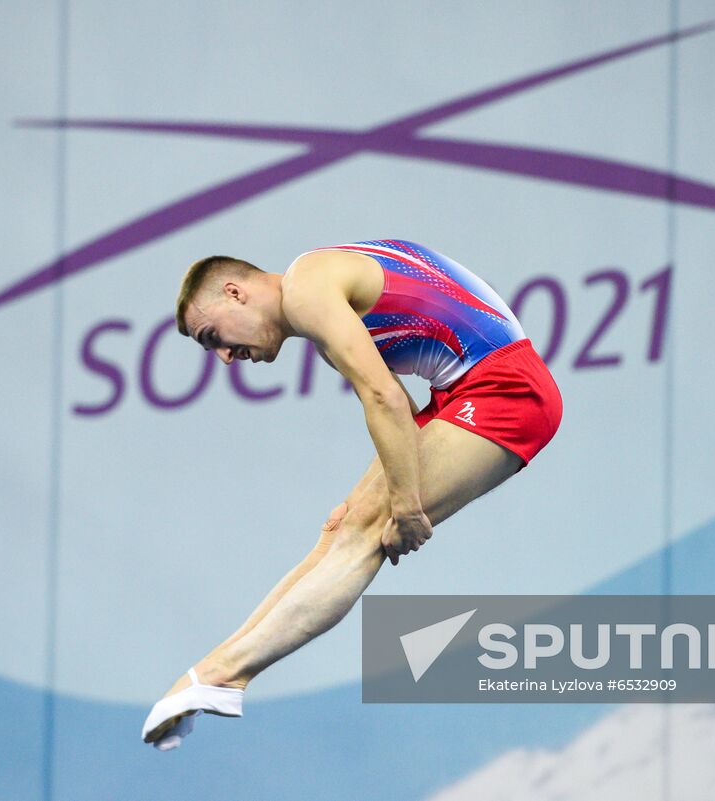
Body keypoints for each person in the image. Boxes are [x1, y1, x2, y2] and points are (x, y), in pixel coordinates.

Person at [141, 239, 562, 749]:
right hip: (463, 389)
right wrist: (381, 494)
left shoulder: (306, 289)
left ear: (235, 292)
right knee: (339, 532)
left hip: (505, 389)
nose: (227, 359)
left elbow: (383, 399)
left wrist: (406, 505)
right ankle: (215, 669)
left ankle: (222, 673)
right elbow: (399, 405)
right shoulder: (319, 297)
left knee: (365, 539)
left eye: (214, 338)